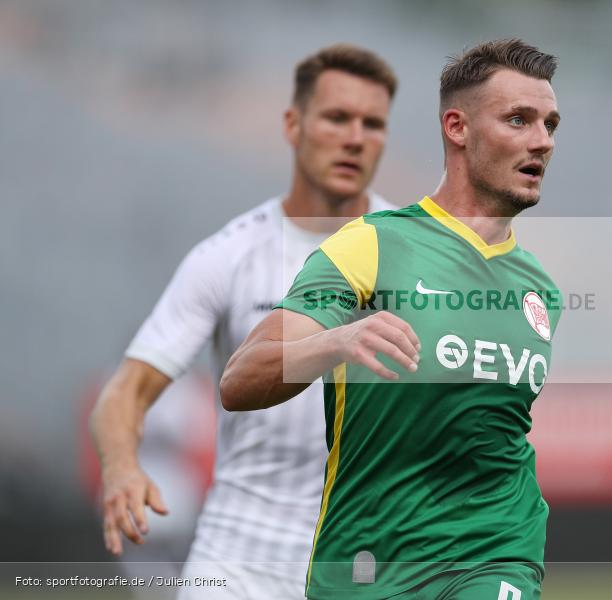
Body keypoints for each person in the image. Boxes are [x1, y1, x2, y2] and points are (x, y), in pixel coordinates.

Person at [220, 39, 562, 599]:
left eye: (549, 124)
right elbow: (240, 380)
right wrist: (336, 340)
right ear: (458, 128)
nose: (541, 142)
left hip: (497, 551)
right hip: (369, 562)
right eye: (518, 120)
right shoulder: (373, 245)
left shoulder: (540, 290)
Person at [89, 44, 398, 600]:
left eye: (372, 124)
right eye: (336, 117)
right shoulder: (228, 255)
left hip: (364, 559)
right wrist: (120, 469)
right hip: (238, 560)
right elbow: (125, 392)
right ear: (292, 124)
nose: (355, 137)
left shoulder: (415, 253)